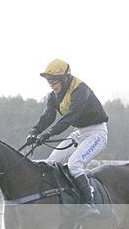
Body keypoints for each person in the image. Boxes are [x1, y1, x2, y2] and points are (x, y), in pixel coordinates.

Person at [26, 59, 109, 217]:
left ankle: (89, 204)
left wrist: (48, 134)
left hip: (97, 132)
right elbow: (48, 117)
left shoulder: (80, 90)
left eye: (54, 80)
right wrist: (34, 131)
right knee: (51, 163)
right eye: (49, 81)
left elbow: (70, 117)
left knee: (74, 164)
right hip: (80, 133)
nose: (51, 84)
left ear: (65, 78)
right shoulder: (53, 96)